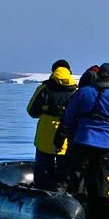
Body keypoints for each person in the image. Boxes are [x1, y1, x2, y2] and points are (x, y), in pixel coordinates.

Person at [55, 62, 109, 219]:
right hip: (103, 147)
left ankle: (72, 213)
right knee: (100, 182)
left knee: (73, 177)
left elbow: (68, 119)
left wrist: (76, 131)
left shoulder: (83, 93)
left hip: (81, 142)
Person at [26, 60, 77, 189]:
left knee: (43, 167)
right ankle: (63, 193)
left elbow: (31, 110)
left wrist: (45, 113)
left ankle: (41, 191)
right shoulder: (76, 91)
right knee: (64, 168)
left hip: (45, 134)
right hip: (66, 134)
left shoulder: (44, 88)